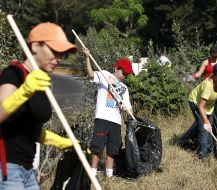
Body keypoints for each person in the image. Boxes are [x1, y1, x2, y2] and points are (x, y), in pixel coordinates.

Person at [0, 22, 77, 189]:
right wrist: (24, 91)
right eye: (54, 51)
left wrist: (60, 141)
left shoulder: (39, 82)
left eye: (61, 54)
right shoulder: (14, 74)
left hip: (28, 170)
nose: (58, 58)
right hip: (6, 168)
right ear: (35, 46)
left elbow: (28, 129)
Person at [83, 48, 134, 178]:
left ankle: (109, 175)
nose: (124, 76)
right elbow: (90, 74)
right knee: (97, 146)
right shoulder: (104, 74)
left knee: (113, 149)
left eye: (127, 75)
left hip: (116, 121)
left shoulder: (124, 88)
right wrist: (87, 57)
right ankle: (92, 173)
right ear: (117, 68)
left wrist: (133, 118)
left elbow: (128, 107)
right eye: (124, 72)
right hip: (102, 117)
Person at [185, 64, 217, 159]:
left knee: (209, 127)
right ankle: (203, 155)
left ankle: (207, 150)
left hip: (209, 107)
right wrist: (205, 121)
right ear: (214, 75)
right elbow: (201, 106)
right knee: (204, 129)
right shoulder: (208, 85)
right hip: (196, 104)